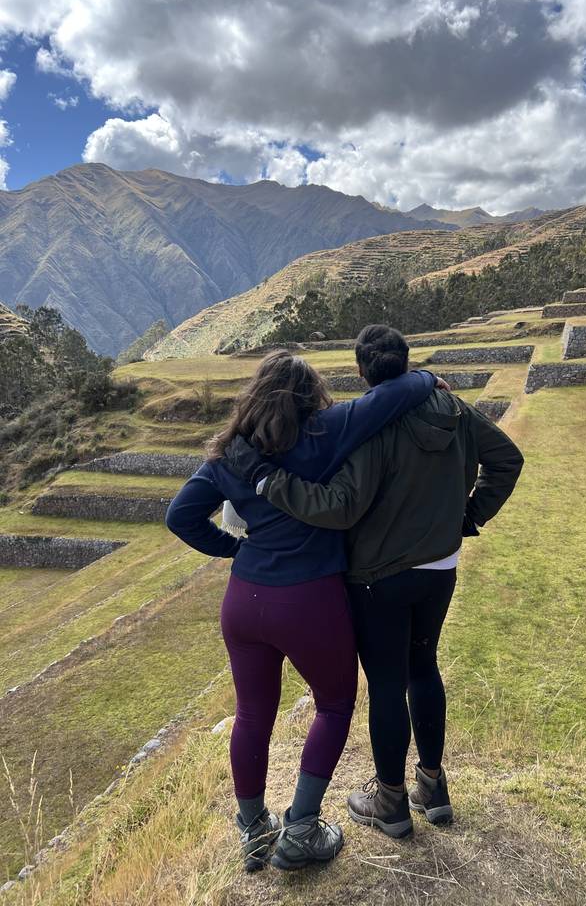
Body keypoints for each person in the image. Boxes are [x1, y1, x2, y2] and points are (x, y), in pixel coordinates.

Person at [227, 326, 524, 839]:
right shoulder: (455, 411)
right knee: (423, 668)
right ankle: (432, 785)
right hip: (440, 567)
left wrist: (271, 483)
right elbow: (507, 459)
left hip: (378, 579)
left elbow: (340, 508)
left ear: (362, 372)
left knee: (387, 683)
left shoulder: (371, 430)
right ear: (405, 363)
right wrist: (467, 515)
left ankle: (390, 802)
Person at [165, 349, 439, 871]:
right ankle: (302, 829)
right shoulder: (325, 432)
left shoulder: (227, 454)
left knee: (251, 714)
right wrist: (427, 376)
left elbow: (180, 516)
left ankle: (251, 830)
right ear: (311, 395)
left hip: (243, 601)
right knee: (334, 705)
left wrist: (234, 549)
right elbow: (397, 391)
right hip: (310, 598)